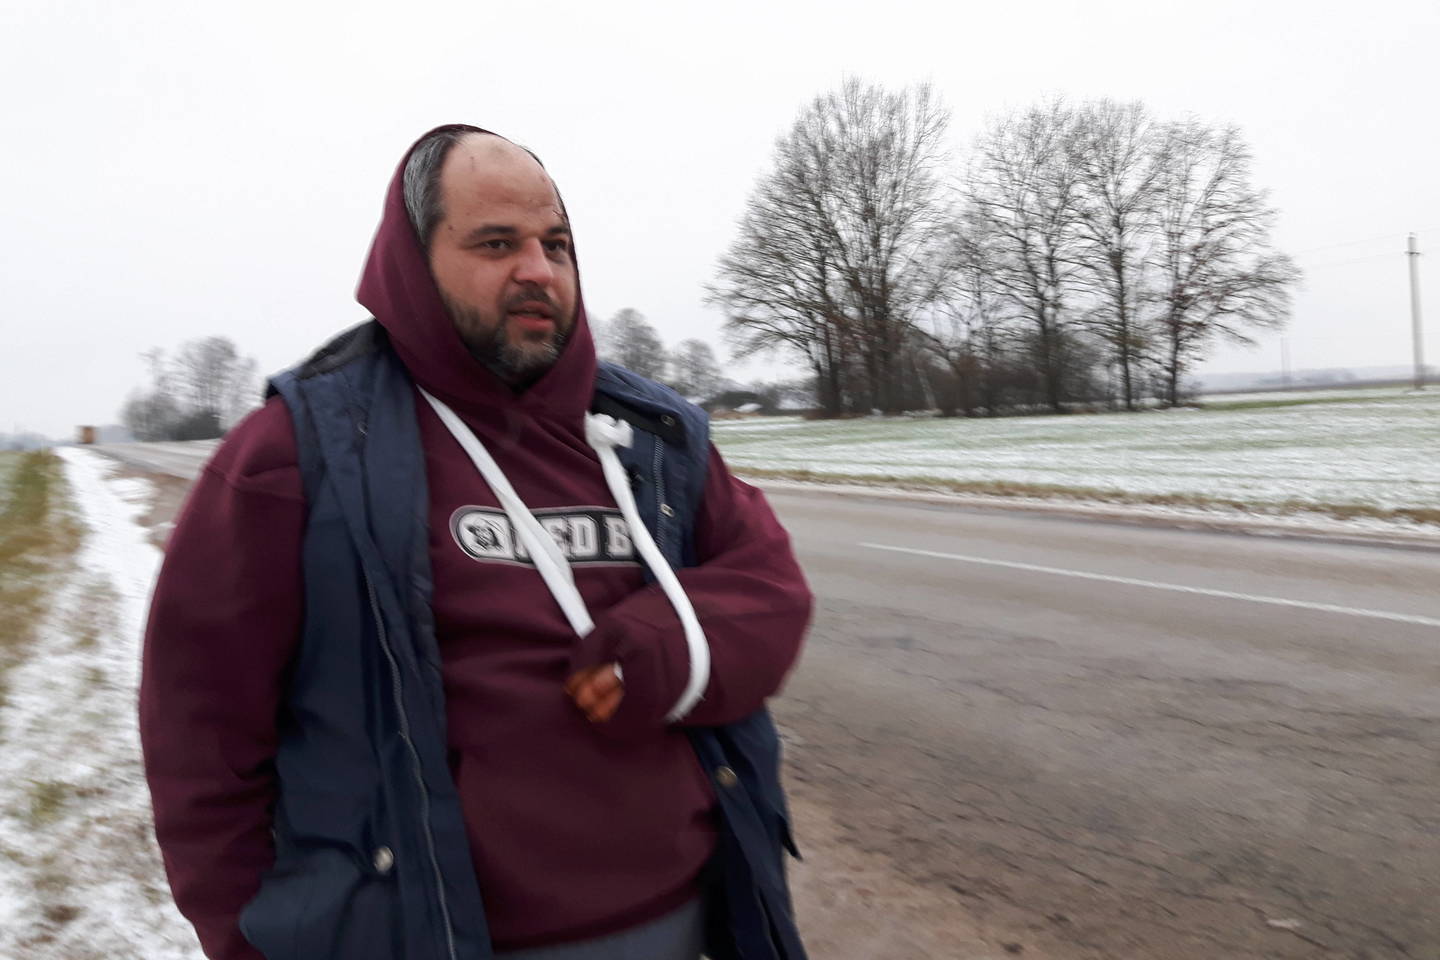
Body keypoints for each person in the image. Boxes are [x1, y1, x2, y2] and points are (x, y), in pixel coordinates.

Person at [139, 124, 813, 960]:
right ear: (414, 263)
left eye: (555, 244)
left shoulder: (656, 436)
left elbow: (772, 586)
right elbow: (201, 736)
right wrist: (246, 942)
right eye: (497, 243)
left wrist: (669, 645)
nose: (537, 269)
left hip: (688, 926)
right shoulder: (296, 454)